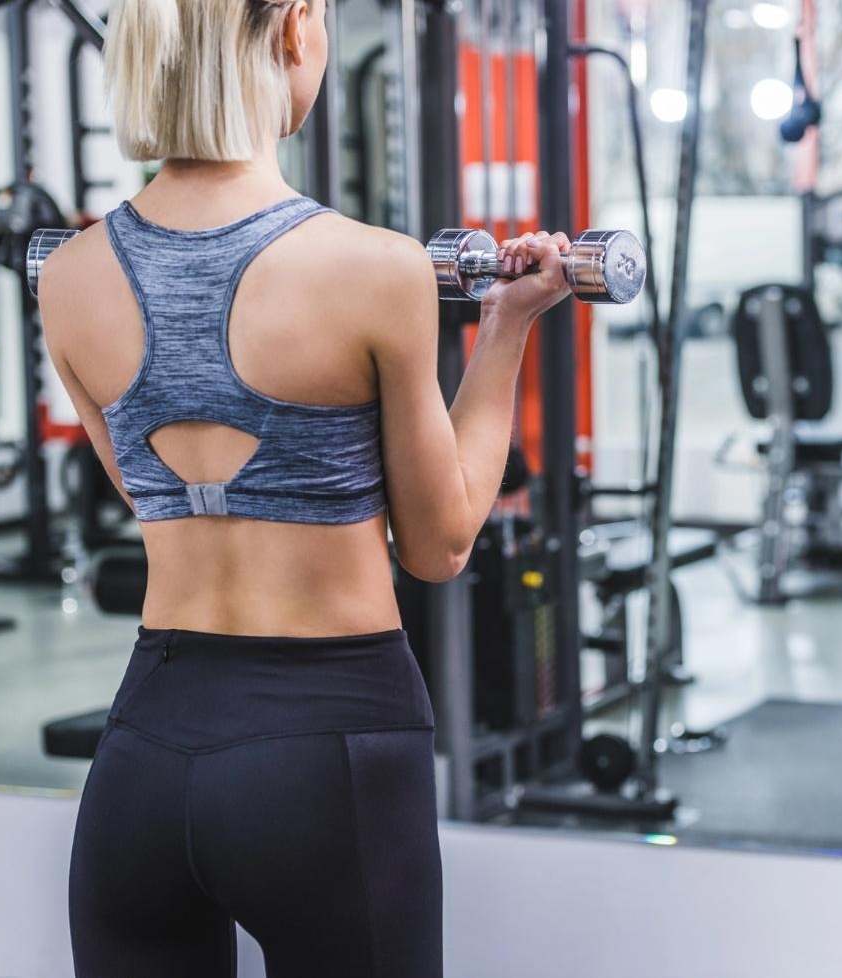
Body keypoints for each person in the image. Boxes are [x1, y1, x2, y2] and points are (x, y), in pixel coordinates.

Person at [38, 0, 572, 973]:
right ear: (292, 27)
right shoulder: (374, 269)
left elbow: (156, 498)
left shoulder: (69, 278)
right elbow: (441, 544)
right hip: (325, 749)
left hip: (147, 748)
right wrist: (507, 330)